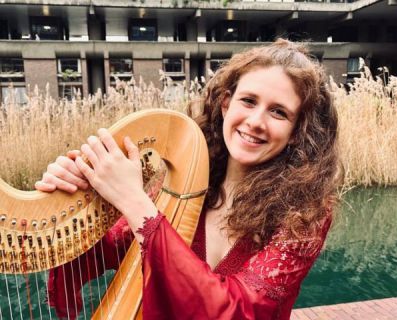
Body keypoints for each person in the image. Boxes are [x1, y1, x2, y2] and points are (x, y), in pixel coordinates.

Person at [35, 38, 339, 319]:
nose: (256, 122)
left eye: (278, 112)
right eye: (248, 101)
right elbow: (109, 250)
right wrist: (73, 198)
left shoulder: (306, 213)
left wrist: (133, 200)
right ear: (225, 104)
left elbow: (239, 310)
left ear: (297, 131)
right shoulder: (184, 182)